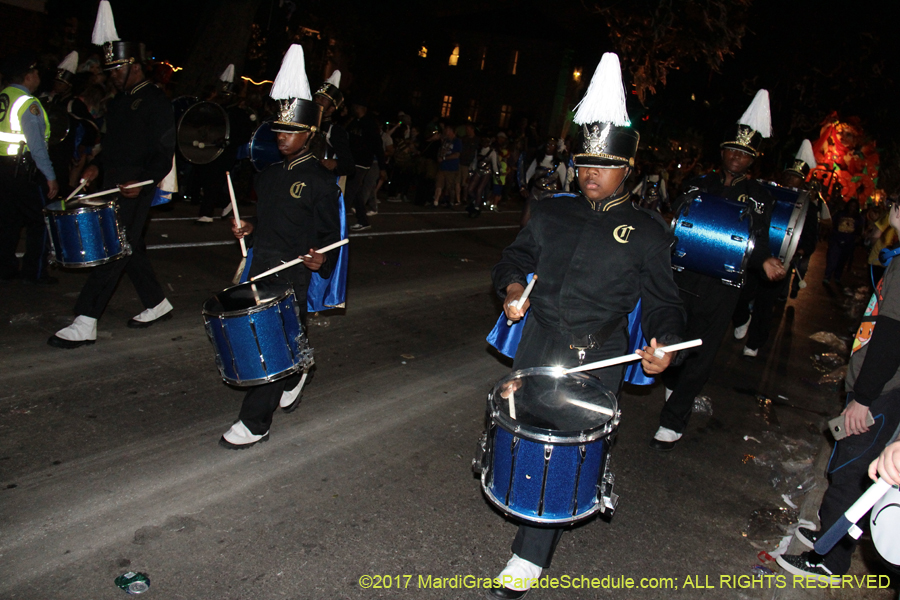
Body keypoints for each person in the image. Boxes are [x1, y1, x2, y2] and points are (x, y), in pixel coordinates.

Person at [485, 53, 685, 599]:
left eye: (603, 164)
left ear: (628, 167)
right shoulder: (551, 212)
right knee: (524, 432)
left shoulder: (647, 231)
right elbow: (512, 260)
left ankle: (529, 555)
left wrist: (663, 344)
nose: (590, 172)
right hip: (540, 339)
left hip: (598, 355)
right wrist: (510, 292)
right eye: (583, 161)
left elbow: (665, 304)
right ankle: (528, 503)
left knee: (559, 445)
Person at [223, 44, 341, 449]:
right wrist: (249, 228)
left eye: (290, 131)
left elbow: (331, 235)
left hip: (294, 270)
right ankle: (298, 369)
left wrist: (322, 259)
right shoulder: (269, 174)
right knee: (287, 338)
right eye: (277, 130)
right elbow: (270, 222)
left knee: (271, 341)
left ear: (308, 133)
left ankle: (256, 421)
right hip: (263, 264)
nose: (282, 137)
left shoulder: (322, 181)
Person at [653, 90, 786, 449]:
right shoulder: (698, 183)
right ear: (722, 152)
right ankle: (673, 385)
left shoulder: (761, 196)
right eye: (732, 150)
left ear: (752, 159)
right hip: (682, 276)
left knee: (702, 350)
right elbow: (677, 223)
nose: (737, 157)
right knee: (672, 338)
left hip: (724, 284)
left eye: (744, 153)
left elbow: (757, 239)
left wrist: (764, 260)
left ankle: (673, 420)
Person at [777, 198, 900, 582]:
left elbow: (892, 337)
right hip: (883, 388)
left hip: (881, 391)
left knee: (853, 470)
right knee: (851, 465)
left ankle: (829, 559)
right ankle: (829, 533)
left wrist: (863, 397)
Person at [48, 1, 175, 348]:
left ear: (134, 65)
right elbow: (111, 145)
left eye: (117, 68)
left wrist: (142, 182)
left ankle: (86, 319)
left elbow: (163, 153)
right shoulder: (118, 103)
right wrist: (96, 165)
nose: (113, 75)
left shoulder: (155, 101)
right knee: (129, 246)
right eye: (111, 69)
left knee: (113, 247)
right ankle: (157, 302)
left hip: (137, 183)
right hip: (112, 181)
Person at [0, 51, 59, 284]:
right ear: (27, 76)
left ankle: (5, 268)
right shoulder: (27, 103)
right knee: (40, 222)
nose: (37, 77)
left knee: (8, 221)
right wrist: (50, 176)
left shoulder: (3, 96)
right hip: (24, 171)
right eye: (35, 73)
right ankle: (34, 272)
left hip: (3, 168)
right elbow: (36, 146)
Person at [194, 65, 254, 224]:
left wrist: (229, 141)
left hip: (227, 152)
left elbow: (245, 134)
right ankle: (226, 200)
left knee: (214, 180)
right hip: (212, 149)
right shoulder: (217, 110)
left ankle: (206, 214)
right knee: (208, 179)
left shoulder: (240, 114)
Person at [344, 98, 382, 231]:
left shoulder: (370, 124)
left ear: (361, 108)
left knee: (349, 191)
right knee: (356, 192)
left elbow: (378, 145)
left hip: (362, 162)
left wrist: (382, 166)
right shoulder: (354, 122)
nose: (354, 109)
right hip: (353, 161)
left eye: (356, 106)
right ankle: (363, 220)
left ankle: (338, 222)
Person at [312, 70, 354, 186]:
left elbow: (349, 165)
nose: (317, 101)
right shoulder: (303, 123)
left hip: (320, 185)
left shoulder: (335, 132)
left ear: (331, 108)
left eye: (323, 99)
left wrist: (335, 163)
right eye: (317, 97)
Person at [433, 124, 461, 207]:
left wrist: (444, 158)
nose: (446, 132)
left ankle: (450, 201)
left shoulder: (457, 141)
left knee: (450, 186)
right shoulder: (445, 141)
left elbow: (457, 154)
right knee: (439, 184)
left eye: (448, 130)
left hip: (451, 167)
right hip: (442, 166)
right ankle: (436, 201)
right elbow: (441, 150)